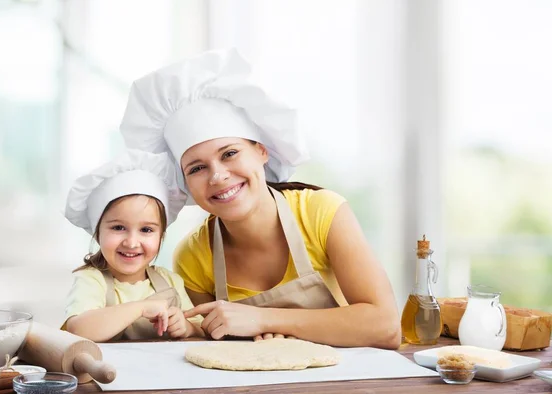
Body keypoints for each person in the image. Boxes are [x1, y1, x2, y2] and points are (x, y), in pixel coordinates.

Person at [119, 49, 401, 349]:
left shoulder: (320, 212)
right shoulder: (193, 254)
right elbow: (207, 343)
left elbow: (385, 327)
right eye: (197, 168)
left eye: (229, 153)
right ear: (184, 183)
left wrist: (265, 319)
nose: (217, 176)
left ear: (262, 151)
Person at [62, 150, 204, 342]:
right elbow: (79, 330)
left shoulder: (170, 281)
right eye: (118, 227)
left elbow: (201, 331)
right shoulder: (91, 281)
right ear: (97, 233)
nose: (131, 242)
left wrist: (187, 327)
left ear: (161, 235)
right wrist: (140, 308)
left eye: (146, 230)